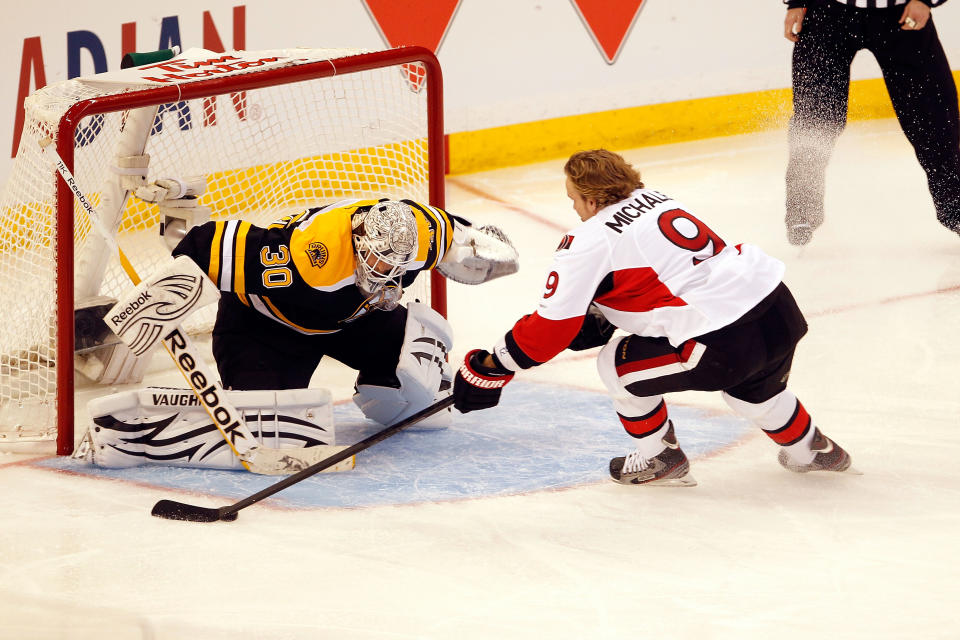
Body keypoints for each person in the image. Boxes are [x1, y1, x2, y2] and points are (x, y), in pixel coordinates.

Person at [453, 149, 854, 486]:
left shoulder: (587, 241)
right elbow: (660, 275)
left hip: (724, 341)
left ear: (593, 200)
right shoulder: (658, 199)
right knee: (756, 388)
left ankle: (661, 458)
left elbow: (550, 330)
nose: (573, 207)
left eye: (574, 198)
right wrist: (602, 313)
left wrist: (491, 366)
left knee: (616, 365)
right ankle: (811, 449)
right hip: (778, 309)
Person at [170, 198, 518, 430]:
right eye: (380, 260)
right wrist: (157, 303)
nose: (389, 271)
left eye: (399, 264)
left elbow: (475, 242)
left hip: (352, 321)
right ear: (360, 242)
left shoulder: (426, 233)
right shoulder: (310, 256)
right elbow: (200, 245)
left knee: (422, 397)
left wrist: (485, 253)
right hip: (267, 329)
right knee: (266, 428)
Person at [783, 0, 960, 245]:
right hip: (827, 12)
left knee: (934, 116)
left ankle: (955, 206)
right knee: (815, 117)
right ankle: (802, 210)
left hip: (902, 12)